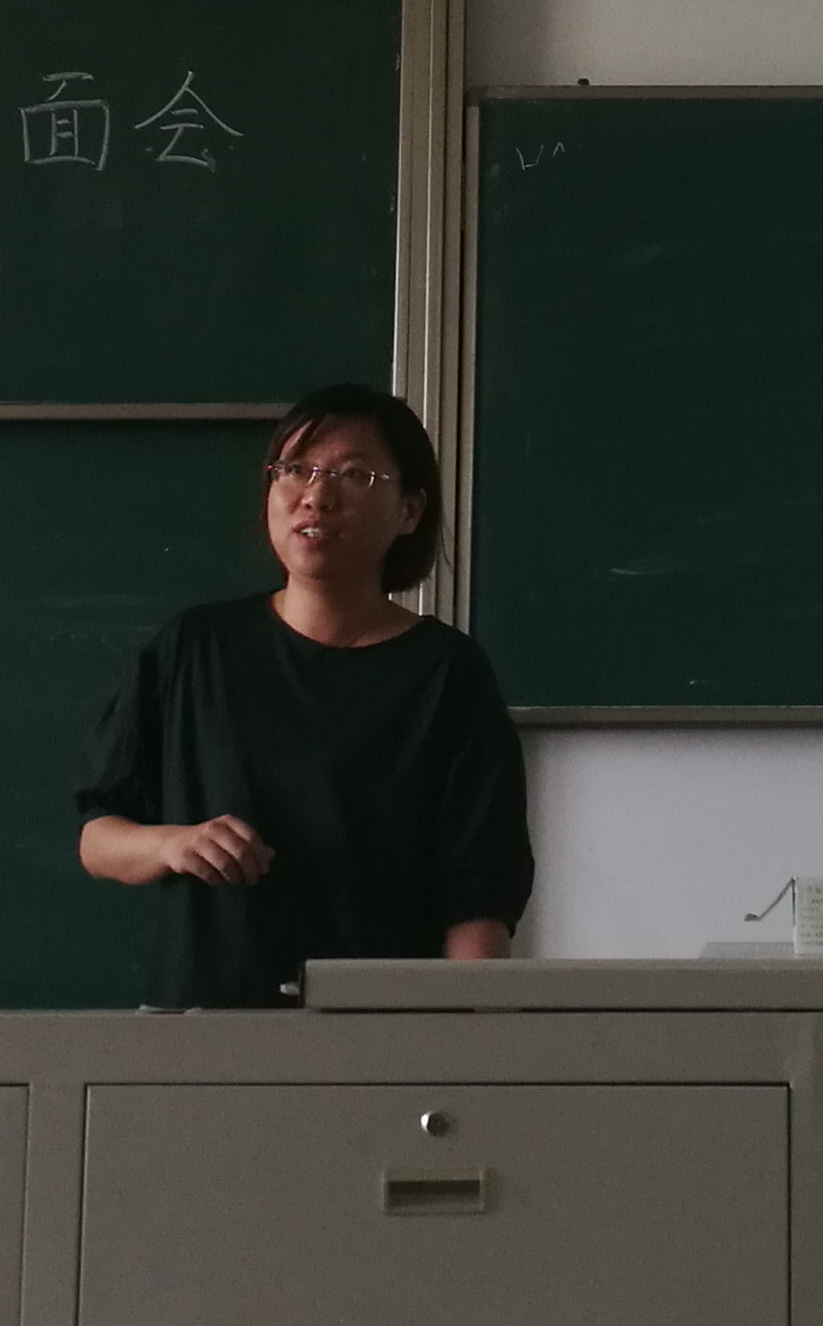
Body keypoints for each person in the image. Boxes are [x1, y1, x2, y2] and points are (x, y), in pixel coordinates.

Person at [74, 383, 532, 1009]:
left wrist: (465, 1041)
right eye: (295, 469)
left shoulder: (448, 674)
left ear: (409, 511)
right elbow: (98, 838)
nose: (316, 495)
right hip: (200, 1025)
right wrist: (171, 843)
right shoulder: (195, 648)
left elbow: (478, 900)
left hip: (378, 1029)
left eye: (354, 474)